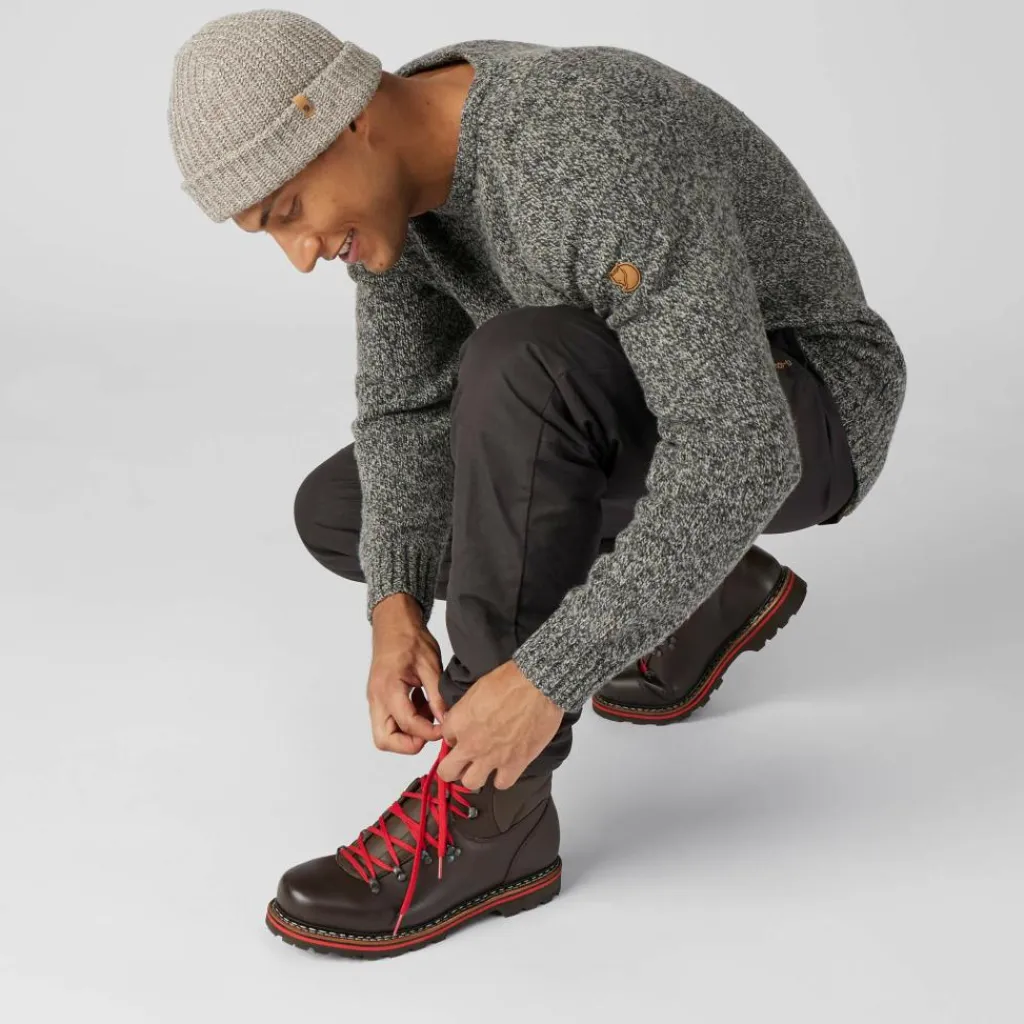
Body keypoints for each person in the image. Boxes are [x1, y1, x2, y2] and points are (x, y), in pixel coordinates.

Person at [167, 11, 907, 958]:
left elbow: (739, 448)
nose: (300, 253)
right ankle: (701, 593)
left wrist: (545, 678)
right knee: (348, 511)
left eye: (288, 211)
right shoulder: (398, 189)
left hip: (802, 404)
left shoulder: (581, 143)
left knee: (523, 367)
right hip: (658, 412)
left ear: (347, 119)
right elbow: (405, 413)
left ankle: (494, 814)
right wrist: (395, 611)